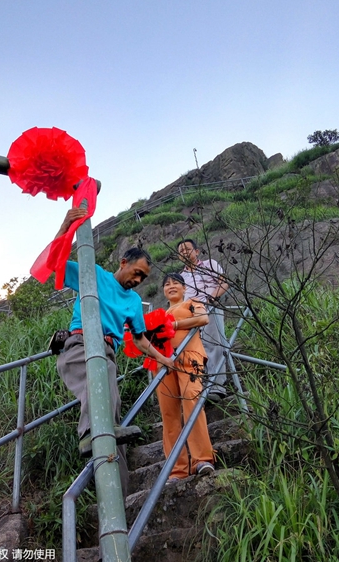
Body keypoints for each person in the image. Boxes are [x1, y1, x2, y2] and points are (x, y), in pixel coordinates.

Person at [55, 207, 175, 496]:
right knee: (102, 392)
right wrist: (66, 226)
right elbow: (54, 266)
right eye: (137, 273)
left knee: (113, 412)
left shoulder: (133, 302)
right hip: (79, 346)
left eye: (143, 279)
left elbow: (141, 339)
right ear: (123, 262)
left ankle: (119, 494)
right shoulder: (93, 274)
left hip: (107, 352)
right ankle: (88, 435)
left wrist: (163, 359)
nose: (138, 281)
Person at [156, 272, 215, 483]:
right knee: (169, 414)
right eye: (167, 283)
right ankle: (176, 469)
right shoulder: (159, 313)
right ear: (163, 291)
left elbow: (203, 318)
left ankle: (201, 459)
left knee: (192, 402)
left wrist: (176, 325)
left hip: (191, 358)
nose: (171, 286)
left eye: (175, 283)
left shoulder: (192, 302)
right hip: (164, 365)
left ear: (183, 288)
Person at [177, 239, 229, 401]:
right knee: (191, 350)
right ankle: (198, 387)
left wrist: (210, 299)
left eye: (187, 249)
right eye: (181, 251)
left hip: (209, 308)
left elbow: (224, 283)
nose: (184, 252)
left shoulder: (209, 265)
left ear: (197, 251)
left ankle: (217, 386)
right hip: (189, 315)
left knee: (213, 342)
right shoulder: (180, 277)